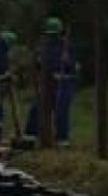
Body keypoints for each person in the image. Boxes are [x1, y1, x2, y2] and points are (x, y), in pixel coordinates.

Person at [25, 17, 77, 147]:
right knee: (37, 108)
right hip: (47, 82)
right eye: (50, 35)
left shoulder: (67, 46)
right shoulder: (44, 46)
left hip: (63, 82)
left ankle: (62, 140)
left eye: (54, 35)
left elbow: (75, 67)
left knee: (61, 111)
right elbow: (36, 65)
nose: (52, 37)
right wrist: (38, 62)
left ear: (60, 33)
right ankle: (30, 138)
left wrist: (67, 62)